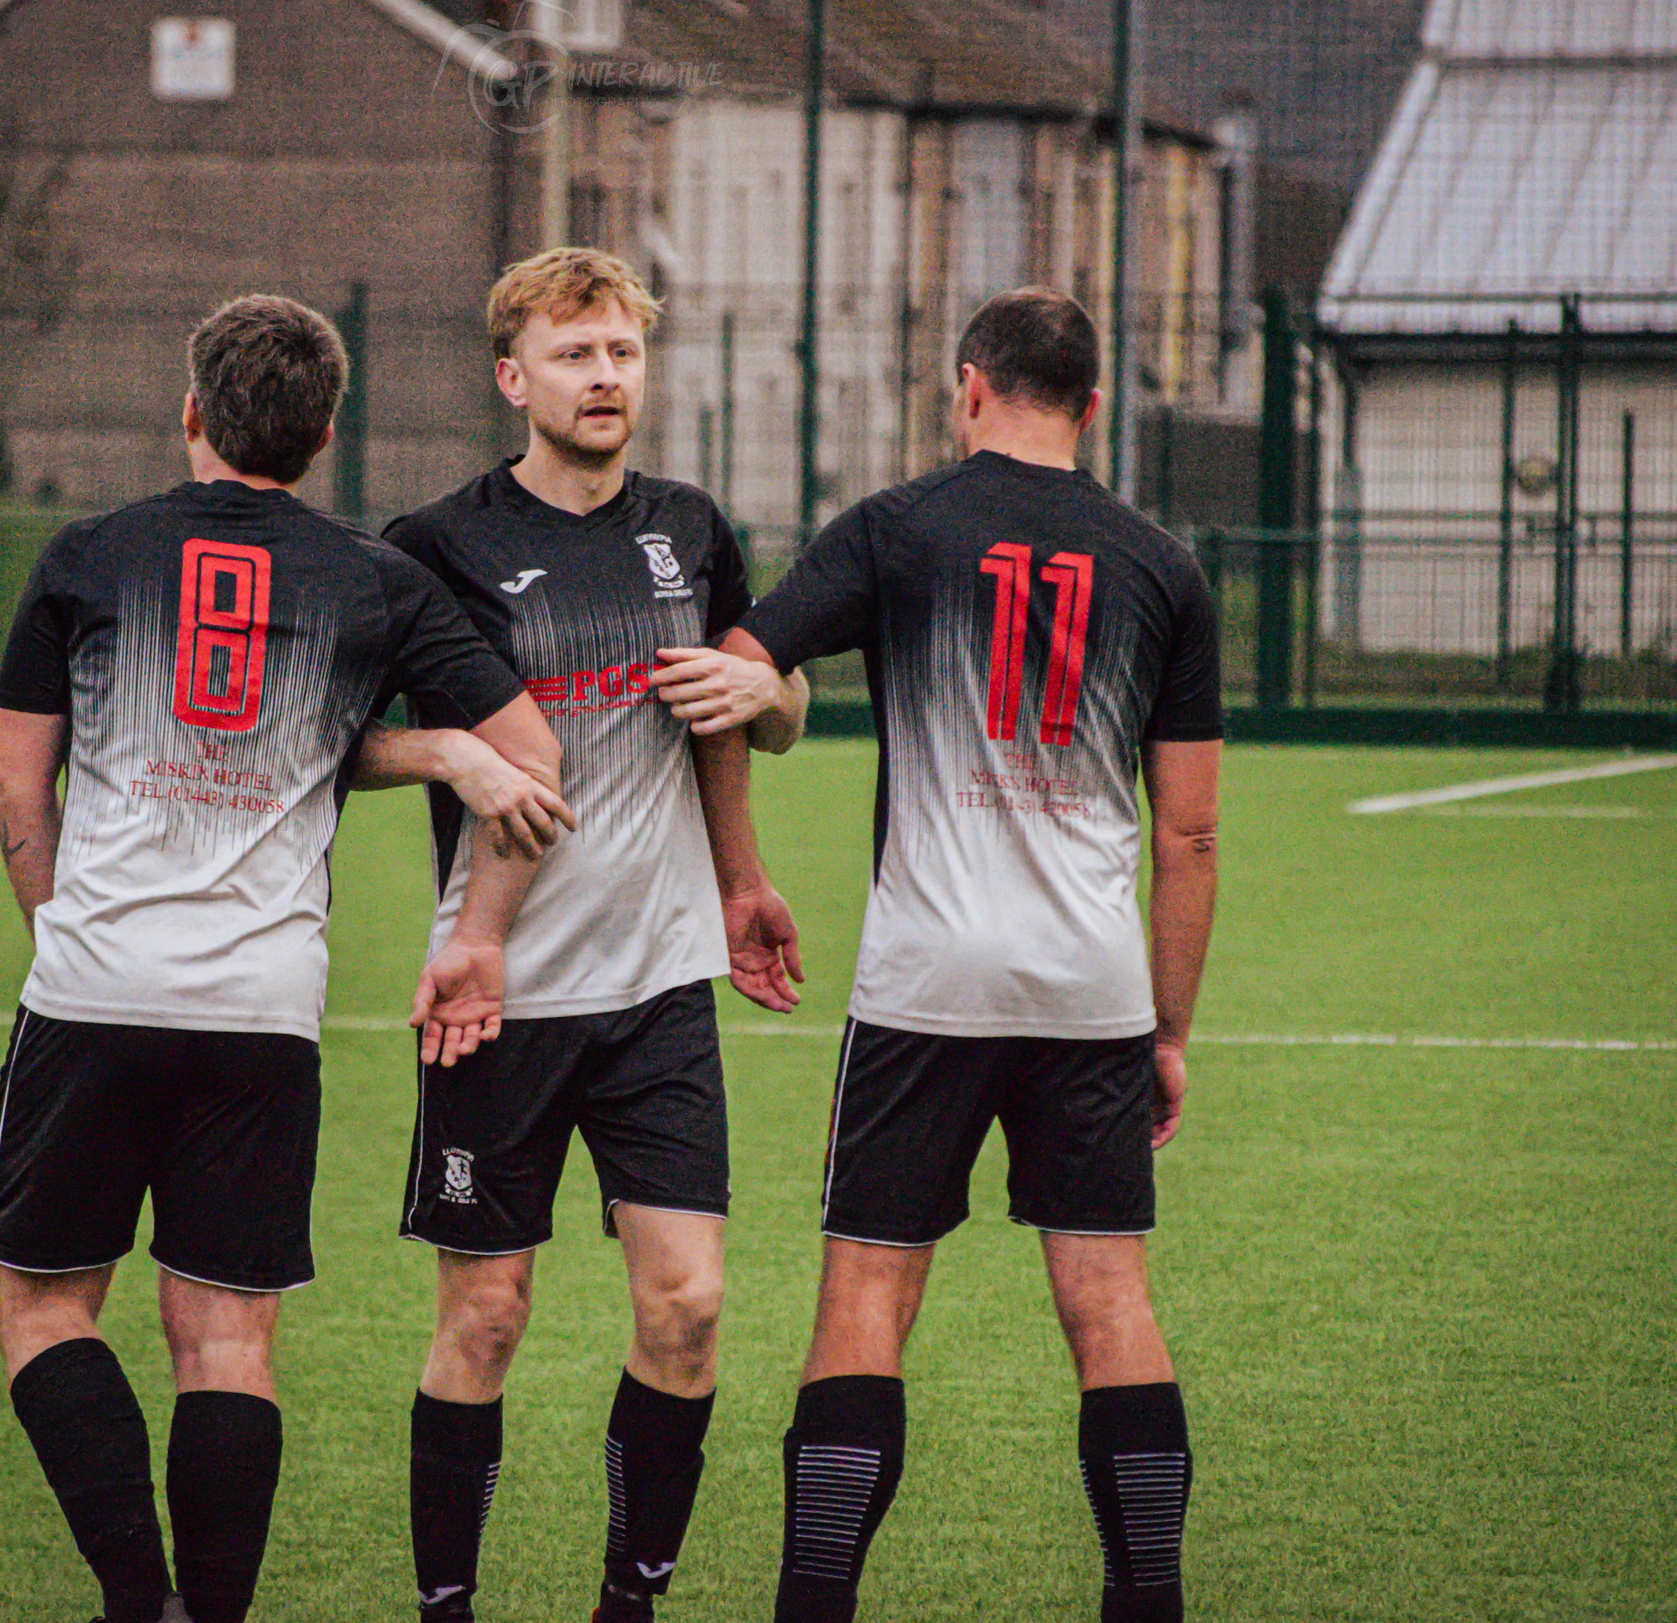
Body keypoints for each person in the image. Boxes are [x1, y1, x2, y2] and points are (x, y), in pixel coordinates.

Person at [0, 294, 566, 1623]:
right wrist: (441, 752)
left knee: (42, 1311)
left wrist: (65, 942)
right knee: (229, 1341)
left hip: (92, 990)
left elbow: (19, 787)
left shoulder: (88, 555)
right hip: (261, 1014)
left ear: (191, 412)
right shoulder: (376, 580)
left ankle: (138, 1599)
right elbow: (533, 760)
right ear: (325, 436)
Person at [712, 287, 1223, 1623]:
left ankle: (814, 1602)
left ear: (969, 388)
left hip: (924, 981)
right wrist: (1168, 1031)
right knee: (1108, 1302)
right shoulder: (1163, 568)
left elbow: (732, 673)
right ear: (1093, 407)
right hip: (1091, 989)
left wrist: (746, 848)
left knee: (867, 1293)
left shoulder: (896, 527)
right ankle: (1149, 1601)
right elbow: (1191, 836)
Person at [350, 247, 809, 1623]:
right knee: (485, 1319)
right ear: (513, 378)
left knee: (688, 1307)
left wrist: (745, 857)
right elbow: (334, 746)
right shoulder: (437, 546)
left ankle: (629, 1602)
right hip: (496, 996)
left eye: (621, 353)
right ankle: (446, 1607)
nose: (604, 378)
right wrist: (452, 754)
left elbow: (750, 711)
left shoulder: (692, 529)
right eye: (573, 355)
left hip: (659, 986)